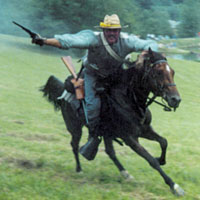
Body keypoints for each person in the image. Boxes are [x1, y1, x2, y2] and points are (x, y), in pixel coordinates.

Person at [32, 14, 158, 160]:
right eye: (109, 30)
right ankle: (94, 135)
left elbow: (151, 44)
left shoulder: (127, 41)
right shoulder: (92, 38)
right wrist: (44, 41)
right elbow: (68, 41)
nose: (112, 33)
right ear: (103, 31)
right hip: (93, 75)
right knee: (92, 105)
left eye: (115, 30)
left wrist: (143, 55)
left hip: (115, 76)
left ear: (119, 31)